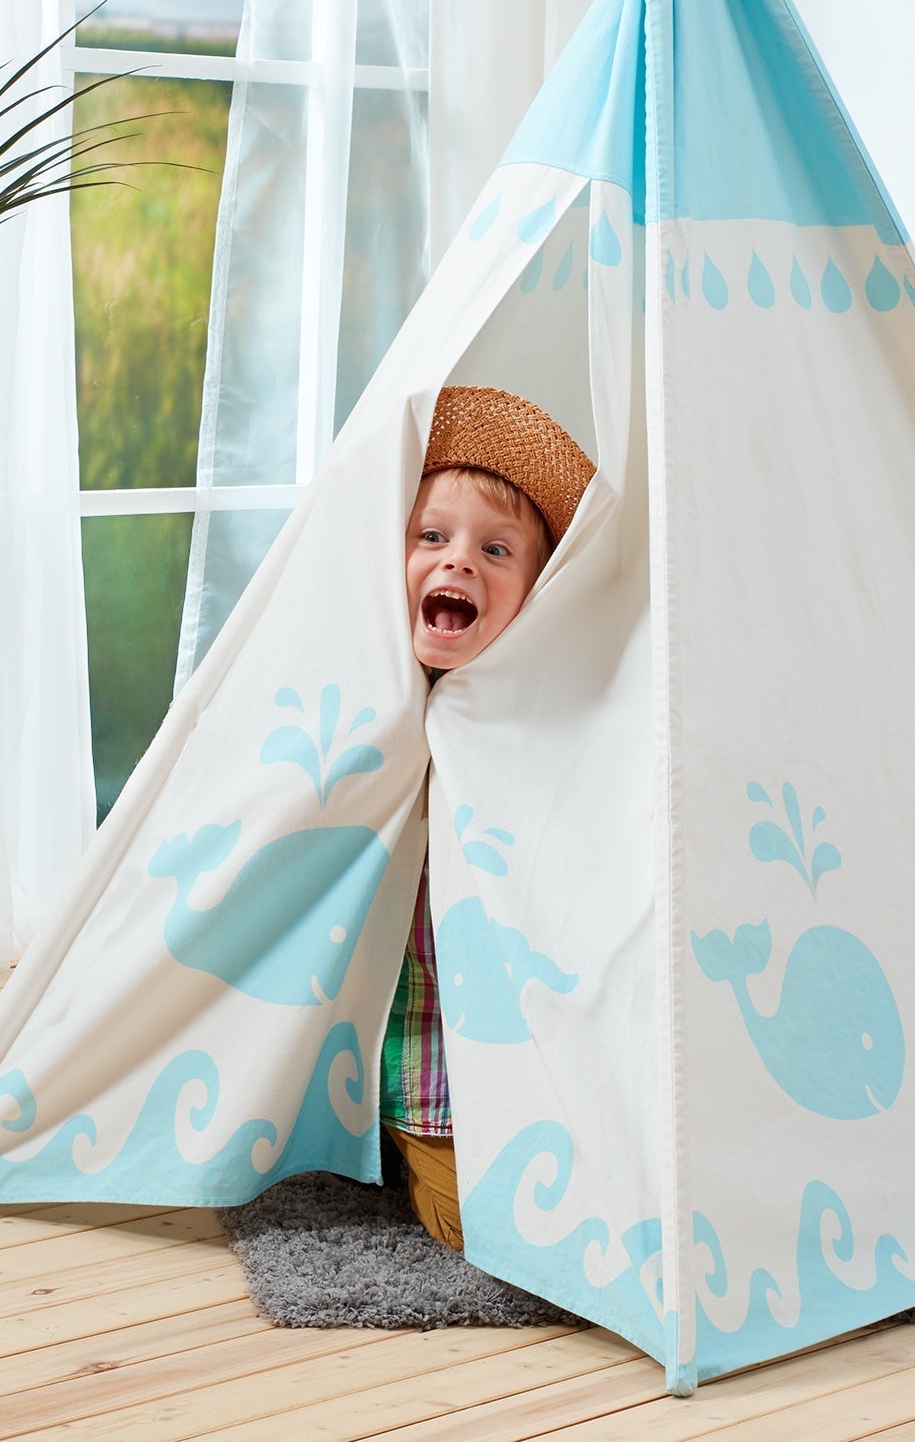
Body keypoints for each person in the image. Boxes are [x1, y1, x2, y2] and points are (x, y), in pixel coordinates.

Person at [384, 384, 595, 1248]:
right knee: (481, 1232)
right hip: (425, 1085)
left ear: (535, 595)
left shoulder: (541, 719)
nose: (458, 561)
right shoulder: (377, 706)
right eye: (431, 537)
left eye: (495, 549)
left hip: (516, 1064)